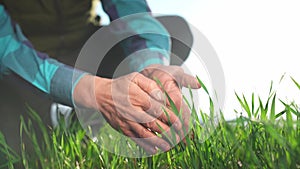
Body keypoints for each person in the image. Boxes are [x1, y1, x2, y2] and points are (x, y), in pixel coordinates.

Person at [0, 0, 200, 154]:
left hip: (84, 48)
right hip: (20, 63)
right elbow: (7, 48)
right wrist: (94, 93)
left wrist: (150, 68)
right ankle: (61, 115)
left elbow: (131, 12)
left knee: (176, 30)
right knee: (16, 152)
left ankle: (86, 116)